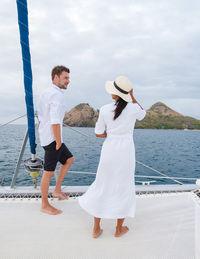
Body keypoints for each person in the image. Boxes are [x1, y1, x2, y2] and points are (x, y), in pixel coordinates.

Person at [78, 76, 146, 238]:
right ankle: (118, 229)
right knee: (124, 186)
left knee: (103, 184)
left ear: (114, 93)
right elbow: (142, 114)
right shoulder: (133, 108)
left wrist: (112, 134)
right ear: (127, 94)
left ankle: (96, 229)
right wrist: (132, 96)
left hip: (110, 150)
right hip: (126, 152)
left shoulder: (104, 109)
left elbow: (98, 133)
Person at [37, 65, 74, 215]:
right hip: (53, 139)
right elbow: (55, 121)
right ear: (56, 77)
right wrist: (58, 142)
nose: (68, 81)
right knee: (48, 172)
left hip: (49, 136)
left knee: (69, 159)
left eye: (68, 78)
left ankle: (57, 190)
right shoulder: (56, 95)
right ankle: (45, 205)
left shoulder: (47, 92)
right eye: (65, 78)